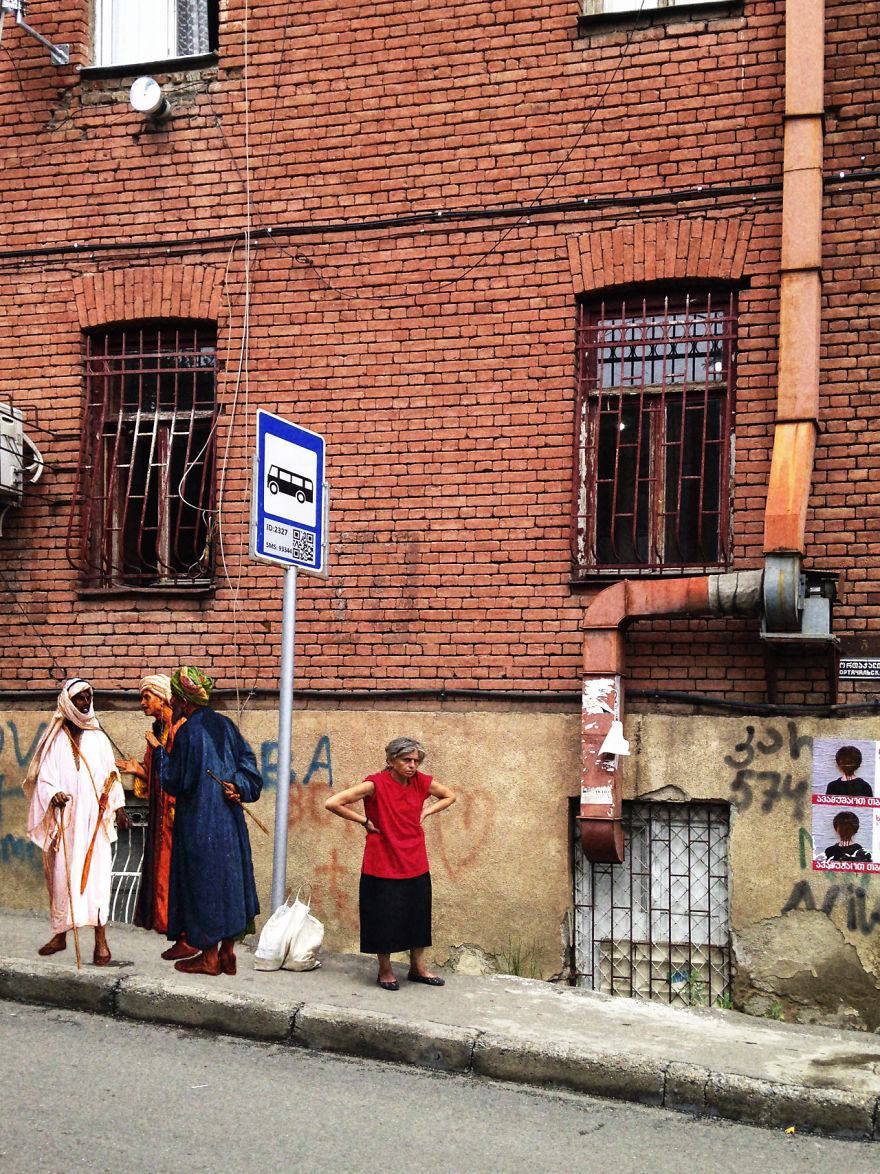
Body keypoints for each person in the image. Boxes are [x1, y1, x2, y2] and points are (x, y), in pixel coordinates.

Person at [147, 666, 262, 977]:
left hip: (200, 822)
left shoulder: (187, 732)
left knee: (205, 884)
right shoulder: (226, 726)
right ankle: (227, 954)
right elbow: (250, 768)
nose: (172, 701)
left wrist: (159, 753)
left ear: (184, 700)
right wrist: (238, 786)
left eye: (174, 696)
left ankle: (209, 959)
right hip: (230, 822)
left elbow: (174, 781)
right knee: (229, 884)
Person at [325, 735, 456, 991]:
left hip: (415, 860)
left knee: (418, 916)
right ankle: (384, 970)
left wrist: (427, 811)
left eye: (416, 761)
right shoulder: (374, 784)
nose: (412, 766)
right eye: (406, 760)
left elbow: (449, 796)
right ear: (390, 760)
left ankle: (417, 968)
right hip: (381, 861)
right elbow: (332, 803)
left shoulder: (421, 782)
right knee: (382, 917)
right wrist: (363, 821)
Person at [22, 678, 128, 965]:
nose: (85, 703)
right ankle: (60, 934)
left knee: (97, 879)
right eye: (79, 698)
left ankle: (100, 942)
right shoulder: (55, 738)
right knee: (62, 879)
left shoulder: (99, 737)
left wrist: (118, 809)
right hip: (66, 821)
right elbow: (44, 778)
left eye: (88, 697)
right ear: (68, 701)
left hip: (94, 823)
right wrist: (53, 794)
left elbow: (111, 777)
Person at [116, 674, 195, 960]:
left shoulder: (181, 728)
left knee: (179, 872)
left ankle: (187, 933)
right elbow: (157, 777)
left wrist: (160, 750)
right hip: (162, 817)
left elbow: (182, 772)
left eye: (147, 697)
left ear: (162, 698)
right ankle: (169, 927)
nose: (142, 703)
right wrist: (140, 770)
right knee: (162, 870)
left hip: (179, 815)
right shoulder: (158, 730)